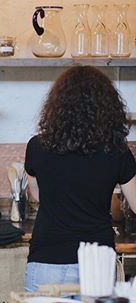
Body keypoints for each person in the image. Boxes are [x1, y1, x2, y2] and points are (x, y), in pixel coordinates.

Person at [24, 66, 136, 291]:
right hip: (96, 264)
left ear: (57, 106)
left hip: (47, 258)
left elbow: (36, 195)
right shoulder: (117, 151)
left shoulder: (37, 146)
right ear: (108, 108)